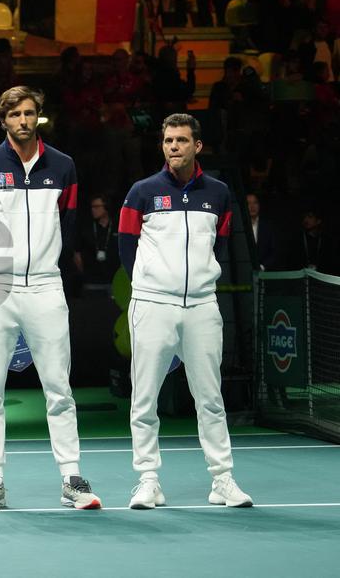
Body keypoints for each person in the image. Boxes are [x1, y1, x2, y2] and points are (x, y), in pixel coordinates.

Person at [0, 85, 101, 511]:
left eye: (30, 113)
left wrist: (54, 262)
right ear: (2, 119)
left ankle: (72, 478)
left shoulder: (63, 166)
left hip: (44, 284)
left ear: (38, 117)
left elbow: (71, 221)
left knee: (59, 386)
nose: (23, 120)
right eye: (16, 114)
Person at [117, 112, 252, 509]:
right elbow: (127, 246)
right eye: (167, 141)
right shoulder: (141, 192)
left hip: (201, 307)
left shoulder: (220, 193)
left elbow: (220, 246)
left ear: (197, 146)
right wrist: (150, 285)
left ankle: (222, 480)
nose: (173, 146)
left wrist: (197, 282)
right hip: (152, 304)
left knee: (210, 397)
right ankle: (147, 481)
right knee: (144, 398)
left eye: (180, 140)